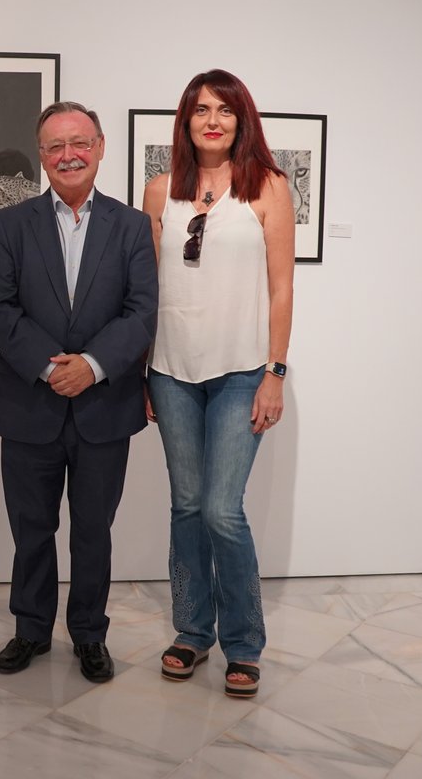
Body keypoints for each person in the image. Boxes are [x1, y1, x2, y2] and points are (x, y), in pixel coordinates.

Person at [0, 102, 157, 683]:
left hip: (105, 407)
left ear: (101, 146)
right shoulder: (9, 224)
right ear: (42, 155)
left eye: (79, 143)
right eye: (55, 147)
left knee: (92, 530)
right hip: (30, 403)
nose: (68, 155)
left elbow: (141, 312)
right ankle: (30, 628)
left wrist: (94, 364)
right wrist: (49, 367)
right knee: (31, 529)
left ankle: (88, 634)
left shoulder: (131, 226)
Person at [142, 69, 294, 699]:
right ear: (186, 119)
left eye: (224, 110)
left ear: (241, 119)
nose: (212, 120)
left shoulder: (268, 187)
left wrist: (274, 373)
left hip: (241, 371)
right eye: (201, 109)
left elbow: (283, 286)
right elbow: (146, 289)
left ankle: (244, 643)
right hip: (171, 370)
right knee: (184, 506)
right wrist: (141, 375)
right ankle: (191, 632)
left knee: (221, 512)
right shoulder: (159, 191)